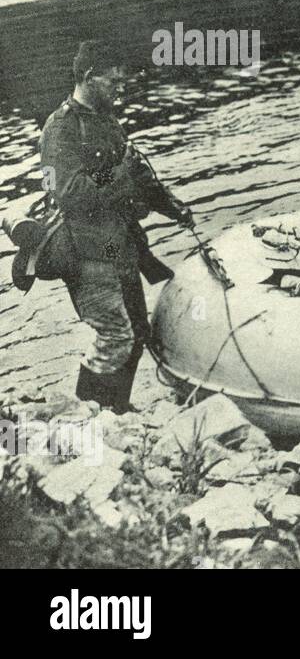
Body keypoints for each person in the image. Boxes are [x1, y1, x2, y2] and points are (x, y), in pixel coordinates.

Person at [39, 40, 194, 412]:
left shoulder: (106, 120)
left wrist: (171, 207)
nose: (120, 89)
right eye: (114, 82)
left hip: (118, 245)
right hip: (88, 250)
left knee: (137, 333)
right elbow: (70, 193)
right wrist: (120, 174)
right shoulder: (60, 129)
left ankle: (116, 411)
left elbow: (136, 172)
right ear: (90, 78)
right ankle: (87, 412)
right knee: (116, 335)